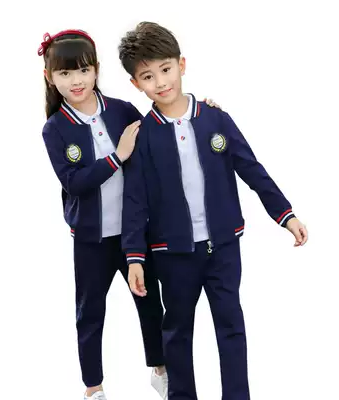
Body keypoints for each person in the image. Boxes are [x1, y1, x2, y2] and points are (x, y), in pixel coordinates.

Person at [118, 22, 308, 400]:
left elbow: (251, 168)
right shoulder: (143, 135)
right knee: (177, 331)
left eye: (166, 69)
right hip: (172, 252)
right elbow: (135, 200)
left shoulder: (216, 118)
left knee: (231, 326)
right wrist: (134, 257)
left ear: (182, 64)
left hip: (223, 246)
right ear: (136, 84)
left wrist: (285, 215)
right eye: (148, 76)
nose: (161, 82)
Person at [38, 28, 221, 400]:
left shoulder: (122, 110)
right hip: (90, 239)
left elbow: (161, 132)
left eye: (84, 70)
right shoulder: (55, 129)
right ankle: (94, 387)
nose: (76, 80)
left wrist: (202, 116)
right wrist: (116, 156)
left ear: (96, 69)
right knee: (91, 312)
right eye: (65, 73)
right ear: (50, 77)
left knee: (150, 303)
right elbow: (74, 182)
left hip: (134, 234)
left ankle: (160, 369)